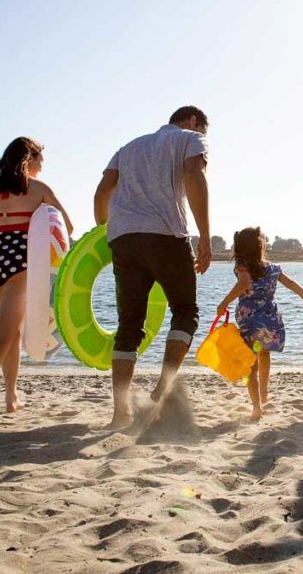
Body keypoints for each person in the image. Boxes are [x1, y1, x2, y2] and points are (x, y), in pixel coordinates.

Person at [93, 106, 211, 429]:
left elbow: (103, 191)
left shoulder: (128, 148)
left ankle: (120, 413)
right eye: (203, 129)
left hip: (123, 239)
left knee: (128, 326)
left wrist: (104, 228)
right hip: (166, 235)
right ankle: (162, 388)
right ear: (193, 121)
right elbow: (194, 176)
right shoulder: (191, 139)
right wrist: (204, 235)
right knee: (186, 312)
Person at [0, 137, 73, 428]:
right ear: (30, 158)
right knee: (1, 339)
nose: (42, 165)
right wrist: (30, 231)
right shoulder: (40, 189)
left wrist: (0, 229)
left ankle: (11, 396)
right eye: (41, 159)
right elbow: (66, 228)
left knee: (11, 333)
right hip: (20, 267)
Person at [216, 227, 303, 421]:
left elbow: (243, 284)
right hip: (269, 319)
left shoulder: (242, 267)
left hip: (250, 321)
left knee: (250, 363)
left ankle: (256, 406)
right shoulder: (273, 268)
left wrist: (224, 303)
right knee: (264, 354)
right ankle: (264, 394)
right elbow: (291, 283)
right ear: (261, 246)